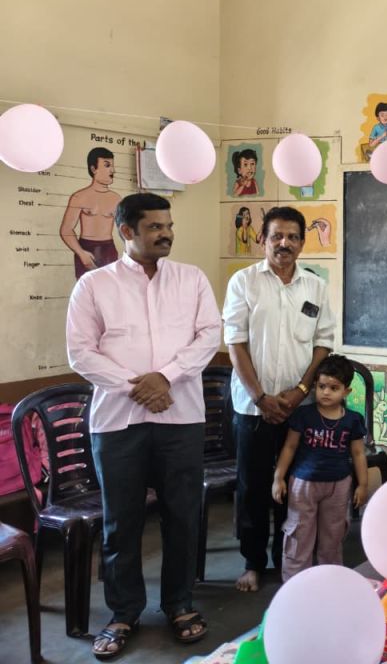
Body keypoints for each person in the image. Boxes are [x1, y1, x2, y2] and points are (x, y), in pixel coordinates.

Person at [65, 193, 221, 659]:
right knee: (121, 522)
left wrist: (166, 378)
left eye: (168, 226)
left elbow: (209, 335)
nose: (166, 234)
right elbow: (80, 352)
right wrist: (138, 387)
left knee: (182, 516)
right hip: (118, 422)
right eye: (154, 227)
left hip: (181, 417)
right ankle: (123, 612)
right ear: (126, 231)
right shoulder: (94, 286)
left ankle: (179, 605)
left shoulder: (191, 279)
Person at [222, 205, 335, 592]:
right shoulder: (244, 282)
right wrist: (260, 398)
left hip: (300, 409)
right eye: (277, 236)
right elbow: (235, 343)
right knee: (253, 487)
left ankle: (290, 560)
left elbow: (323, 343)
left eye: (292, 237)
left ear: (302, 243)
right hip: (253, 408)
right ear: (262, 240)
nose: (284, 243)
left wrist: (301, 390)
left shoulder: (315, 287)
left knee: (295, 487)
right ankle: (252, 562)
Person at [272, 354, 368, 581]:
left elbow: (358, 453)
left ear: (346, 392)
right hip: (303, 485)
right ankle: (295, 583)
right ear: (315, 385)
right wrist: (278, 478)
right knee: (299, 534)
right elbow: (289, 447)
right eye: (322, 386)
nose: (326, 392)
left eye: (334, 388)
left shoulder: (353, 420)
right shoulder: (303, 415)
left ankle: (329, 581)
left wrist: (363, 485)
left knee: (332, 536)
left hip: (338, 485)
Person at [60, 146, 122, 279]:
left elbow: (127, 230)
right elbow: (66, 229)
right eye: (107, 165)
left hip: (108, 249)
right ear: (94, 169)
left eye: (112, 166)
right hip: (85, 248)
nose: (113, 170)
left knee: (110, 289)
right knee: (85, 289)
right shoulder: (79, 196)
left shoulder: (117, 199)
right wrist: (81, 253)